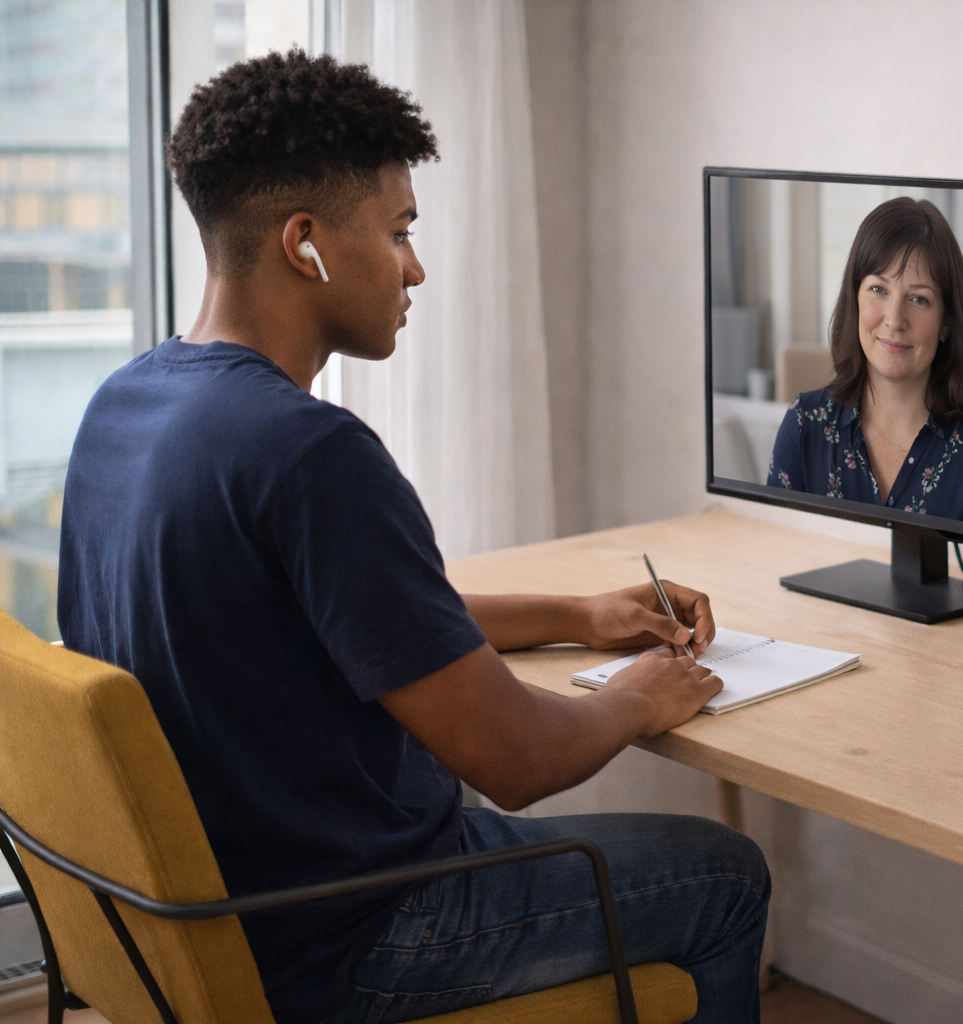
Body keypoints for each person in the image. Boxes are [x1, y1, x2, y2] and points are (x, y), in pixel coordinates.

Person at [57, 51, 767, 1024]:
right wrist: (645, 696)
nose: (416, 267)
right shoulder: (311, 455)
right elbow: (518, 759)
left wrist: (575, 613)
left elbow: (326, 615)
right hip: (345, 937)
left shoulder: (127, 404)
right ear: (304, 243)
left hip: (199, 917)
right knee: (726, 875)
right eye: (398, 232)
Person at [765, 197, 963, 534]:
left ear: (946, 323)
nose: (894, 319)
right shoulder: (803, 425)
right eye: (878, 289)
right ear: (854, 299)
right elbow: (775, 566)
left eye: (919, 299)